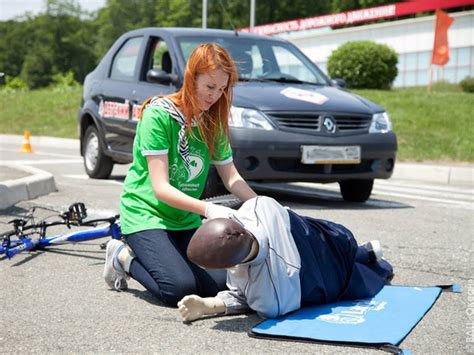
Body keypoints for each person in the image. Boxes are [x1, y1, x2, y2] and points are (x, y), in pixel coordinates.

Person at [103, 43, 257, 307]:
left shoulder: (212, 121)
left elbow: (231, 178)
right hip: (146, 214)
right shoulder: (158, 115)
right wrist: (209, 210)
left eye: (222, 89)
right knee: (178, 289)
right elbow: (161, 188)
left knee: (218, 286)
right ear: (191, 76)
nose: (215, 96)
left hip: (184, 218)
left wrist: (261, 207)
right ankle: (121, 256)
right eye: (210, 87)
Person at [177, 196, 394, 321]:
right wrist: (205, 305)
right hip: (332, 237)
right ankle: (362, 252)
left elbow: (244, 299)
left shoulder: (272, 299)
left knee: (366, 275)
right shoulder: (258, 206)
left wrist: (210, 305)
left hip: (327, 272)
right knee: (346, 248)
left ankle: (372, 262)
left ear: (232, 265)